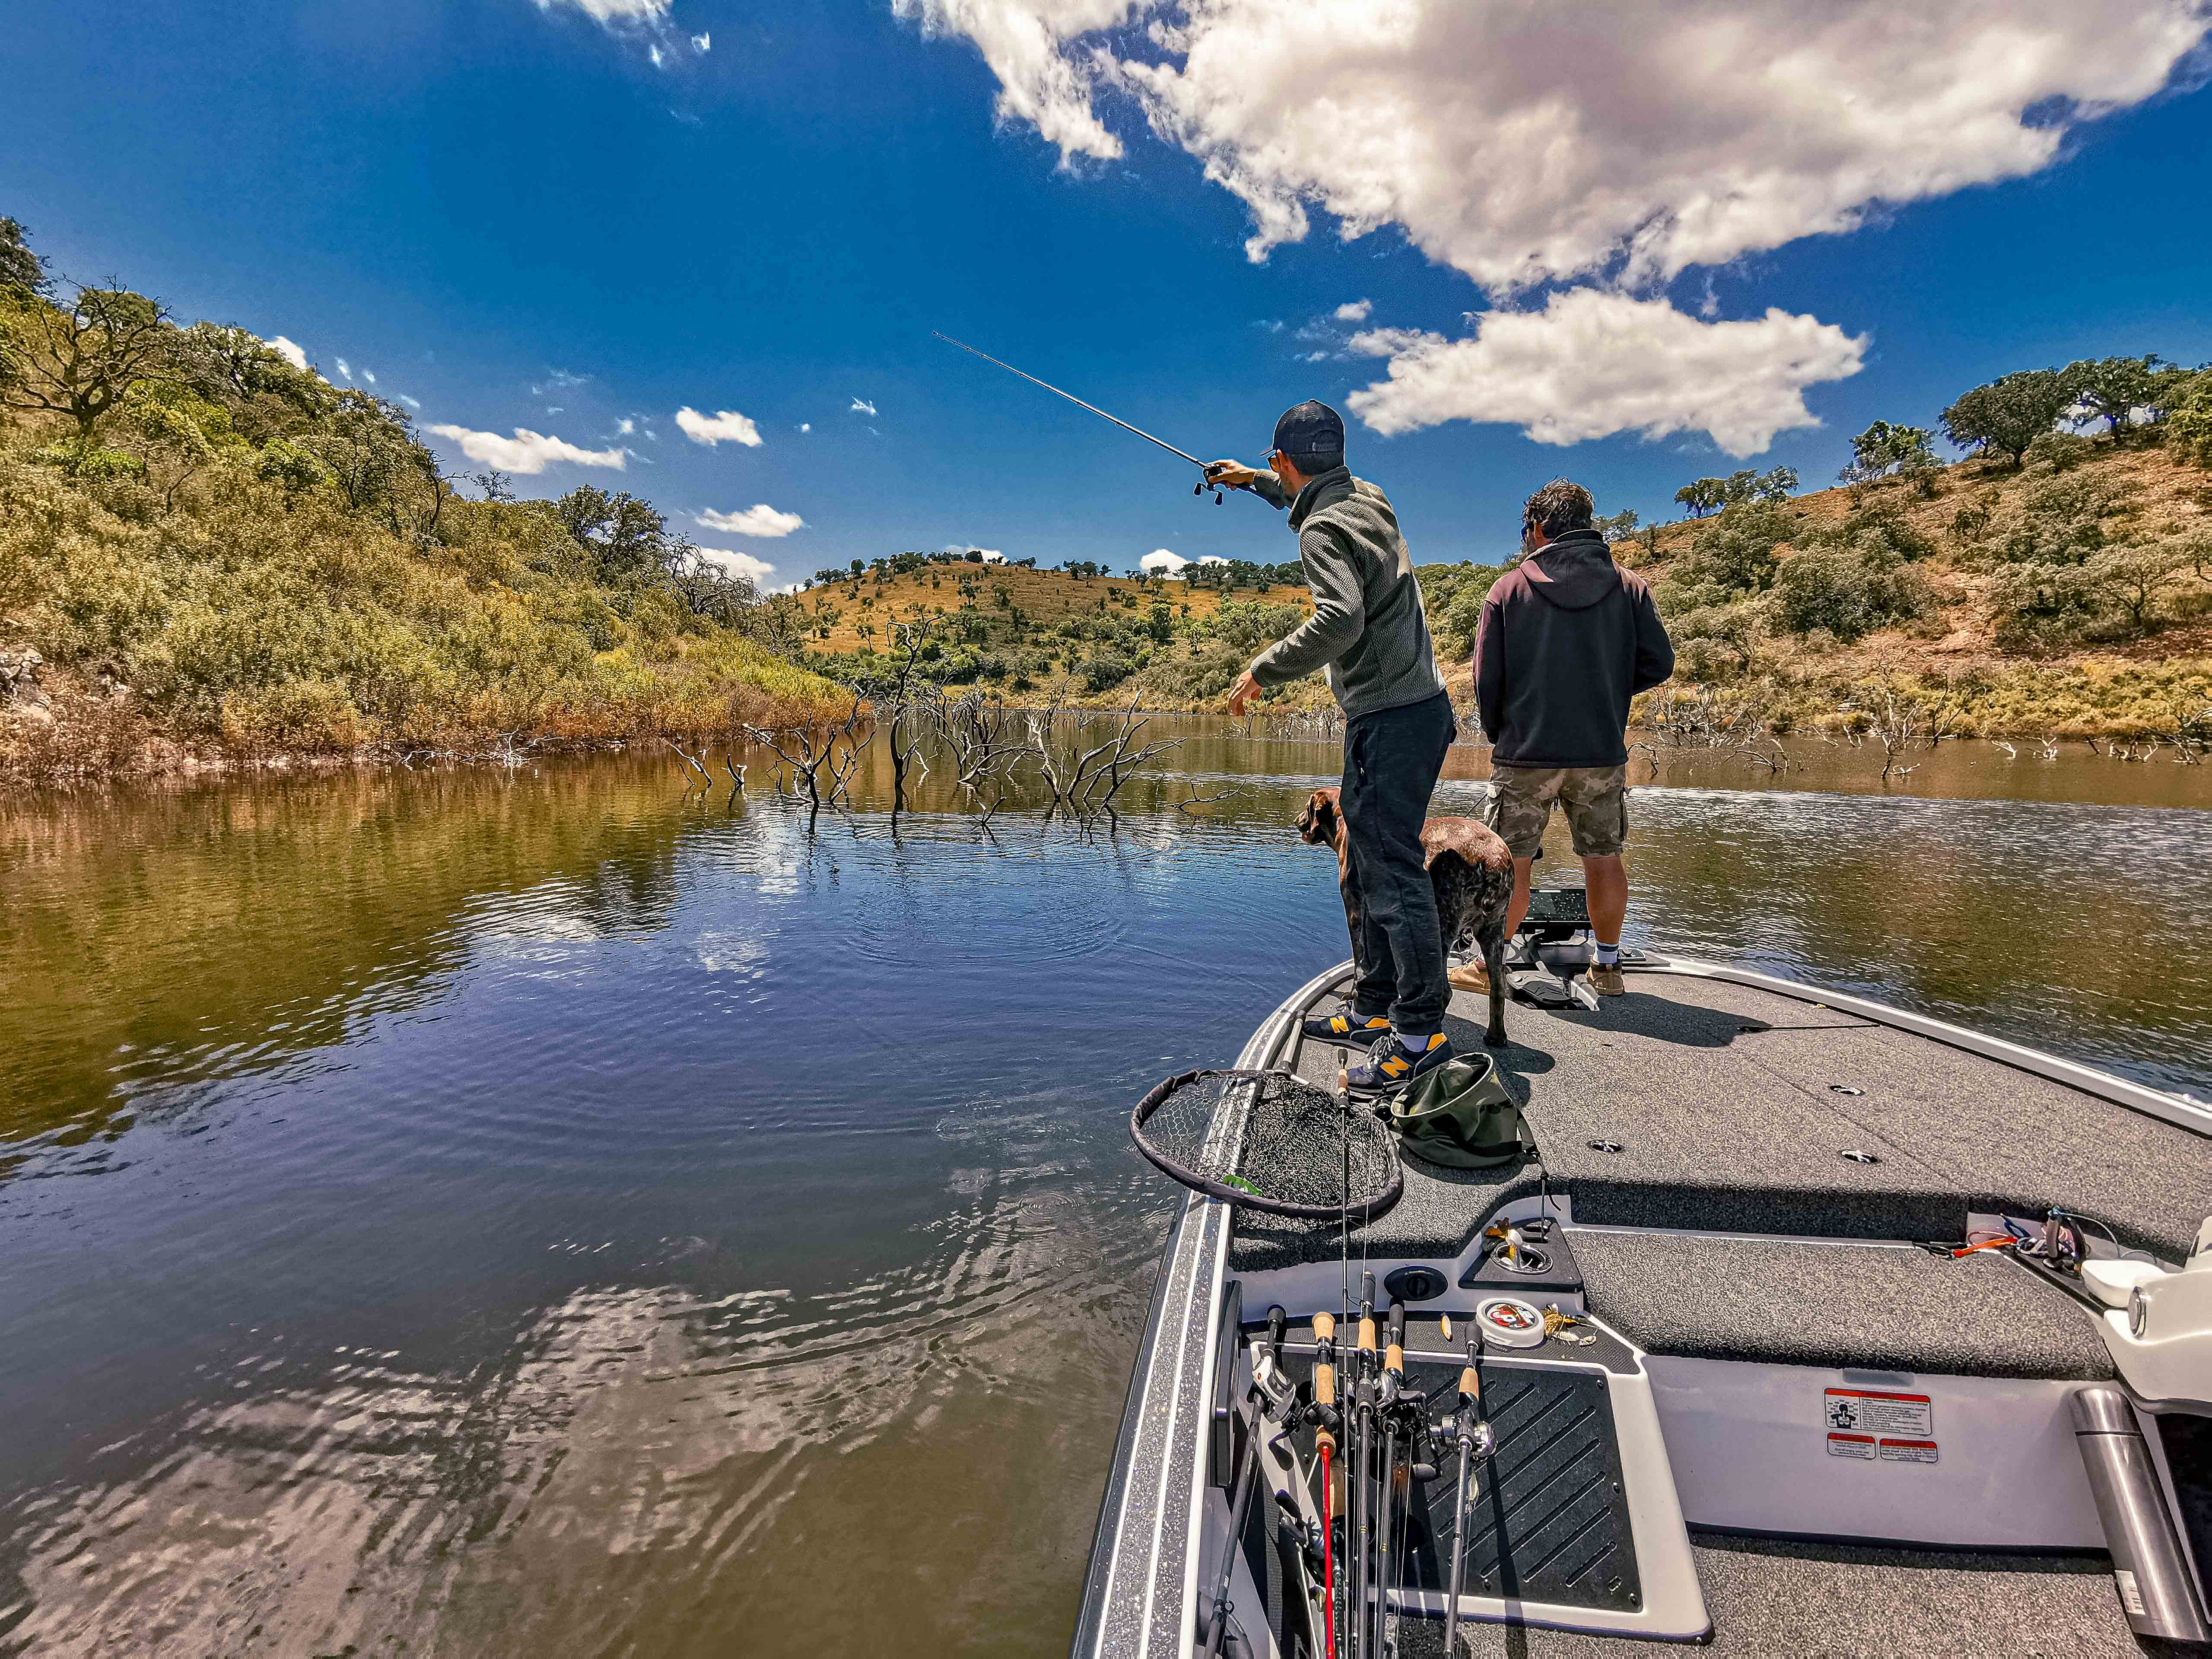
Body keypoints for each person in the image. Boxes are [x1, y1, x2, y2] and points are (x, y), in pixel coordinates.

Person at [1207, 400, 1457, 1093]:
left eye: (1273, 466)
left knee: (1391, 869)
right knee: (1372, 864)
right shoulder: (1367, 497)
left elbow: (1340, 620)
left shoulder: (1320, 528)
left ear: (1284, 459)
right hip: (1417, 711)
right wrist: (1252, 480)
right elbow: (1308, 491)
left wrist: (1262, 669)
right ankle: (1377, 1004)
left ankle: (1421, 1032)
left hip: (1391, 717)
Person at [1471, 478, 1675, 996]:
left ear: (1538, 528)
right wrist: (1604, 690)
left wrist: (1503, 733)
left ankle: (1485, 970)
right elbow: (1659, 663)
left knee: (1511, 864)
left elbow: (1485, 680)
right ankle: (1607, 969)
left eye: (1525, 531)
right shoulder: (1629, 587)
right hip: (1598, 752)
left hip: (1525, 752)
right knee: (1603, 859)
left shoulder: (1508, 589)